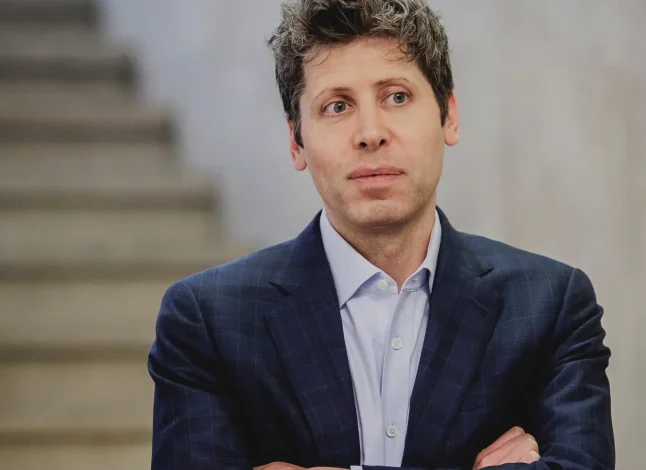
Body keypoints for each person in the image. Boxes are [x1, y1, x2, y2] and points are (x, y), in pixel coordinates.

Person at [148, 0, 615, 469]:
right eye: (337, 106)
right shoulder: (208, 320)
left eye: (396, 97)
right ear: (296, 141)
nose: (371, 133)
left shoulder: (550, 306)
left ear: (449, 116)